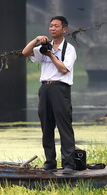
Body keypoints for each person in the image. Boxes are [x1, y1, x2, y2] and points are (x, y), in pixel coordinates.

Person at [21, 15, 77, 173]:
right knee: (46, 126)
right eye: (51, 26)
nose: (52, 28)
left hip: (60, 89)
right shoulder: (45, 47)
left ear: (64, 29)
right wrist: (36, 40)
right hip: (45, 88)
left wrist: (51, 55)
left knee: (64, 126)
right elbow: (25, 53)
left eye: (56, 26)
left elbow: (64, 69)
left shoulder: (69, 49)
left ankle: (69, 164)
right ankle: (50, 162)